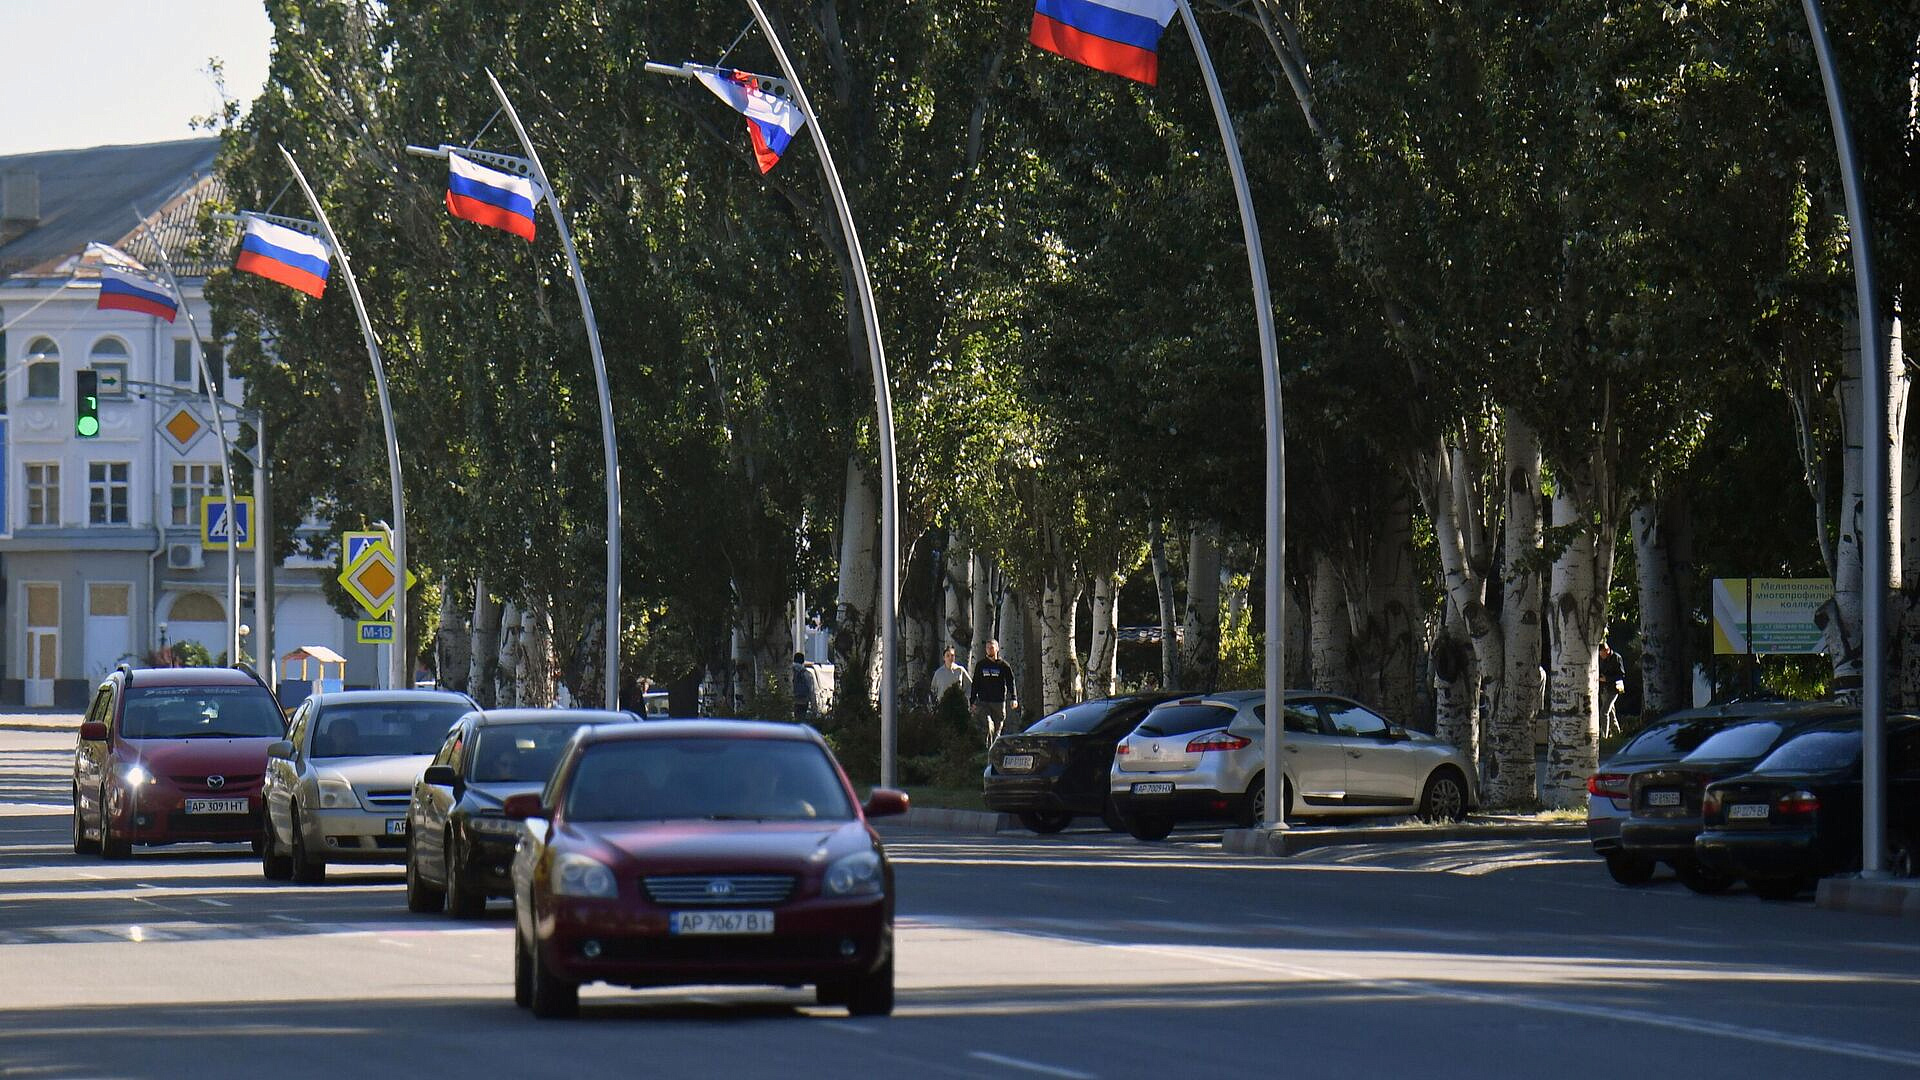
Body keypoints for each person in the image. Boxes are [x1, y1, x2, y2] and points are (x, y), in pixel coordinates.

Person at [969, 639, 1018, 747]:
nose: (989, 650)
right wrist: (972, 701)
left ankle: (994, 750)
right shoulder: (981, 665)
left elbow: (1011, 682)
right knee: (987, 725)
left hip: (998, 702)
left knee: (997, 729)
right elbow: (975, 683)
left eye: (991, 647)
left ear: (997, 649)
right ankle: (986, 748)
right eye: (987, 648)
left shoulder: (1004, 665)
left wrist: (1013, 698)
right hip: (984, 701)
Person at [1598, 642, 1627, 738]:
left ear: (1607, 650)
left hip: (1614, 689)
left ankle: (1604, 736)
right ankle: (1617, 733)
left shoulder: (1616, 658)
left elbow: (1621, 675)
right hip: (1604, 689)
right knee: (1610, 712)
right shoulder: (1600, 659)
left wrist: (1607, 679)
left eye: (1602, 654)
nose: (1601, 656)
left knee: (1604, 712)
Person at [792, 652, 817, 722]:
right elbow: (811, 691)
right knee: (800, 721)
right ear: (803, 661)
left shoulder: (789, 671)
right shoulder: (807, 674)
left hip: (792, 701)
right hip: (803, 701)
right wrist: (814, 707)